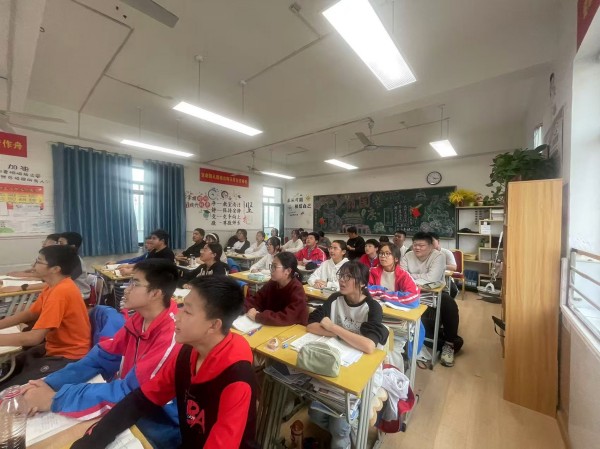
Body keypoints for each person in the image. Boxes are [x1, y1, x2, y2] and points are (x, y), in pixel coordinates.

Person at [70, 276, 259, 449]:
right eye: (182, 307)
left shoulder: (237, 378)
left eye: (188, 311)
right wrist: (93, 440)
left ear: (214, 325)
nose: (177, 315)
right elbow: (143, 398)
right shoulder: (187, 353)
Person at [22, 259, 182, 447]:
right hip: (130, 404)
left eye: (135, 283)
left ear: (156, 293)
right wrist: (49, 383)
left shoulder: (172, 337)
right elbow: (102, 357)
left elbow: (132, 394)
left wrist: (55, 399)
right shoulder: (140, 318)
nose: (127, 289)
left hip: (157, 420)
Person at [307, 261, 388, 449]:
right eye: (341, 276)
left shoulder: (372, 307)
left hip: (363, 371)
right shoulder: (335, 298)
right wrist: (342, 335)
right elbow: (311, 326)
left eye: (348, 277)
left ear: (362, 283)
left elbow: (368, 346)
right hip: (337, 362)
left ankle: (344, 437)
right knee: (315, 414)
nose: (342, 281)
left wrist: (333, 327)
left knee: (339, 427)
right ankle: (345, 433)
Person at [0, 245, 91, 387]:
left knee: (10, 390)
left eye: (39, 261)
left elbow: (34, 337)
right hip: (53, 348)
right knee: (8, 368)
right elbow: (32, 313)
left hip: (68, 356)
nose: (33, 265)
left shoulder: (60, 292)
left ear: (55, 269)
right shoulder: (53, 286)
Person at [400, 232, 462, 367]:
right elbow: (402, 275)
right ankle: (412, 340)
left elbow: (432, 278)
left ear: (430, 246)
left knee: (449, 304)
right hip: (412, 292)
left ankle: (449, 343)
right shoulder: (408, 256)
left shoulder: (439, 256)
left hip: (435, 293)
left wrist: (412, 276)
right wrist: (421, 277)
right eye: (415, 244)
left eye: (421, 245)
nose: (417, 248)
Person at [245, 252, 308, 326]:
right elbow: (256, 300)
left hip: (292, 329)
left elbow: (287, 318)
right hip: (272, 326)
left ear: (288, 271)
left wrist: (258, 317)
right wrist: (239, 308)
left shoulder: (297, 289)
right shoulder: (272, 283)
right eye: (271, 266)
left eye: (274, 267)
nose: (271, 270)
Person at [368, 243, 420, 309]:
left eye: (387, 253)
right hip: (376, 309)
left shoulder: (403, 275)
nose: (383, 256)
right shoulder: (372, 272)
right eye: (381, 253)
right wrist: (381, 290)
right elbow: (363, 290)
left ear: (396, 259)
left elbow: (413, 299)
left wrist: (384, 296)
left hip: (396, 312)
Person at [57, 231, 91, 301]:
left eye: (61, 243)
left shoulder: (76, 261)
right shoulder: (64, 259)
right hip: (67, 292)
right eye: (57, 243)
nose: (57, 246)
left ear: (72, 246)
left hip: (80, 296)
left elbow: (60, 281)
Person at [429, 231, 459, 298]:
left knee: (453, 291)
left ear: (438, 241)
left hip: (445, 278)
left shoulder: (446, 252)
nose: (430, 244)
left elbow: (454, 267)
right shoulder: (426, 253)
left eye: (432, 241)